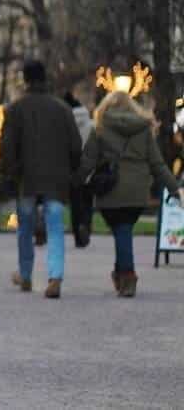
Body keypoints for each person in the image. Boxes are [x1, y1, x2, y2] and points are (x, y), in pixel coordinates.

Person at [75, 91, 180, 297]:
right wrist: (174, 188)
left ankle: (128, 275)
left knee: (121, 230)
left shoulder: (101, 128)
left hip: (110, 190)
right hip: (137, 191)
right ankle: (120, 273)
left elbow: (87, 161)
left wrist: (74, 182)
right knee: (122, 231)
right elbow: (157, 164)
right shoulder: (144, 129)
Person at [0, 60, 82, 299]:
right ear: (45, 79)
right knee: (55, 227)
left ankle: (25, 275)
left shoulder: (15, 109)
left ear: (25, 80)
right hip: (56, 179)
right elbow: (76, 146)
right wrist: (71, 171)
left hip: (26, 179)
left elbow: (7, 147)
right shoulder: (62, 109)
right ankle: (55, 277)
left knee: (24, 227)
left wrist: (9, 173)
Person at [64, 93, 95, 248]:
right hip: (89, 170)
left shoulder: (66, 124)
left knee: (75, 204)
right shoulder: (91, 125)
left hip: (73, 170)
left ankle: (78, 233)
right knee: (88, 203)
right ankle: (87, 228)